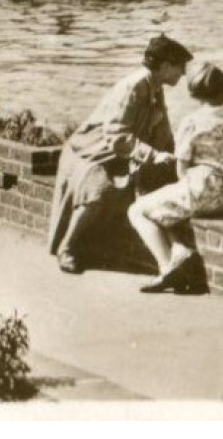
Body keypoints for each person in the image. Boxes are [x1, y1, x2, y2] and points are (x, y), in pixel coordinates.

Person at [45, 33, 190, 274]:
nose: (183, 73)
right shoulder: (134, 87)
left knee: (149, 184)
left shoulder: (155, 87)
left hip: (116, 151)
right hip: (90, 151)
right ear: (164, 66)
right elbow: (115, 134)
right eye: (180, 67)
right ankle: (66, 248)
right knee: (100, 190)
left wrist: (175, 159)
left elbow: (162, 130)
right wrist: (153, 156)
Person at [128, 63, 223, 294]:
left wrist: (185, 186)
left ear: (195, 93)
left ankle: (168, 268)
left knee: (137, 211)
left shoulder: (192, 121)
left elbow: (181, 168)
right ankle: (180, 255)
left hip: (200, 191)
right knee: (167, 209)